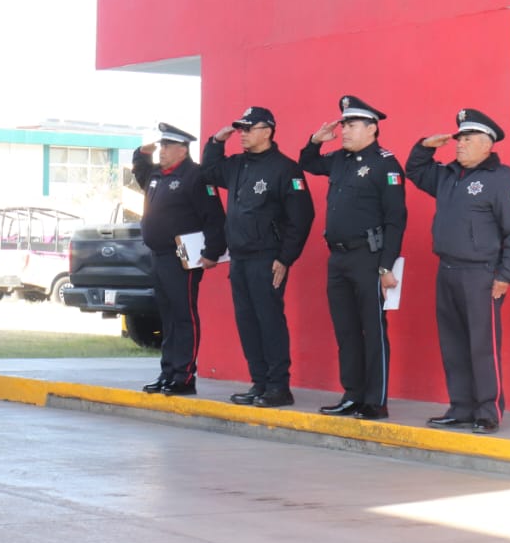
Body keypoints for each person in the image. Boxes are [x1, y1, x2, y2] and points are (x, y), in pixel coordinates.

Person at [405, 108, 510, 434]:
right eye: (459, 137)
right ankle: (461, 407)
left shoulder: (503, 180)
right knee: (454, 344)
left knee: (482, 345)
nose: (459, 143)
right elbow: (415, 171)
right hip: (447, 270)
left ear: (487, 144)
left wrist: (506, 276)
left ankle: (488, 411)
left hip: (482, 275)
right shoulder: (447, 176)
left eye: (468, 138)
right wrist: (425, 146)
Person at [299, 95, 407, 420]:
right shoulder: (340, 160)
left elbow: (395, 219)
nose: (344, 130)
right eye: (343, 123)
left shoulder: (386, 164)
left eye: (352, 124)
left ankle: (375, 400)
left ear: (372, 128)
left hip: (369, 259)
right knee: (346, 331)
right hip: (339, 258)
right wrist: (314, 142)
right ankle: (352, 394)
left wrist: (387, 265)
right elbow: (309, 162)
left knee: (372, 331)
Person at [202, 106, 315, 408]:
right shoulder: (237, 165)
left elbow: (301, 217)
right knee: (248, 323)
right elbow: (208, 171)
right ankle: (260, 382)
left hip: (268, 259)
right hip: (239, 258)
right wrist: (216, 141)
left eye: (249, 129)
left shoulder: (285, 169)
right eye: (241, 129)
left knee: (269, 321)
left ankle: (279, 387)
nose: (243, 134)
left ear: (267, 131)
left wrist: (286, 257)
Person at [132, 122, 226, 396]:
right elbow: (140, 171)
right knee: (168, 317)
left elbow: (214, 217)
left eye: (168, 146)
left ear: (183, 149)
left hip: (182, 257)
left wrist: (212, 252)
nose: (162, 151)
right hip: (159, 256)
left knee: (184, 316)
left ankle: (184, 376)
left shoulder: (196, 176)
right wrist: (142, 152)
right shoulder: (156, 176)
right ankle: (167, 373)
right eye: (161, 146)